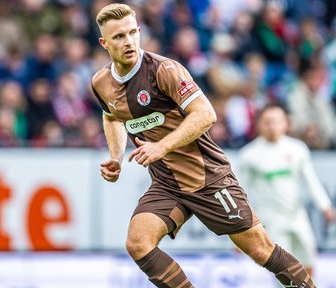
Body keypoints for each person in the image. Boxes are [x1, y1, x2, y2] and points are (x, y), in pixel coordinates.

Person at [91, 3, 316, 287]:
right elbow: (111, 115)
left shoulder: (164, 70)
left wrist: (162, 146)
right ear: (104, 43)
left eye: (132, 33)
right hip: (167, 185)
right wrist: (116, 156)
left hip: (208, 177)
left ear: (139, 31)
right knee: (138, 243)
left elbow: (205, 114)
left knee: (261, 249)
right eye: (118, 37)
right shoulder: (101, 82)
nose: (128, 42)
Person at [237, 103, 336, 278]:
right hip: (271, 220)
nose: (272, 126)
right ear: (259, 124)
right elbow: (240, 193)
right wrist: (240, 230)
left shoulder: (297, 149)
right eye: (267, 122)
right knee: (283, 267)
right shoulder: (249, 155)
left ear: (286, 123)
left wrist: (325, 206)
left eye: (276, 121)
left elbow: (311, 181)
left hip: (297, 216)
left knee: (308, 260)